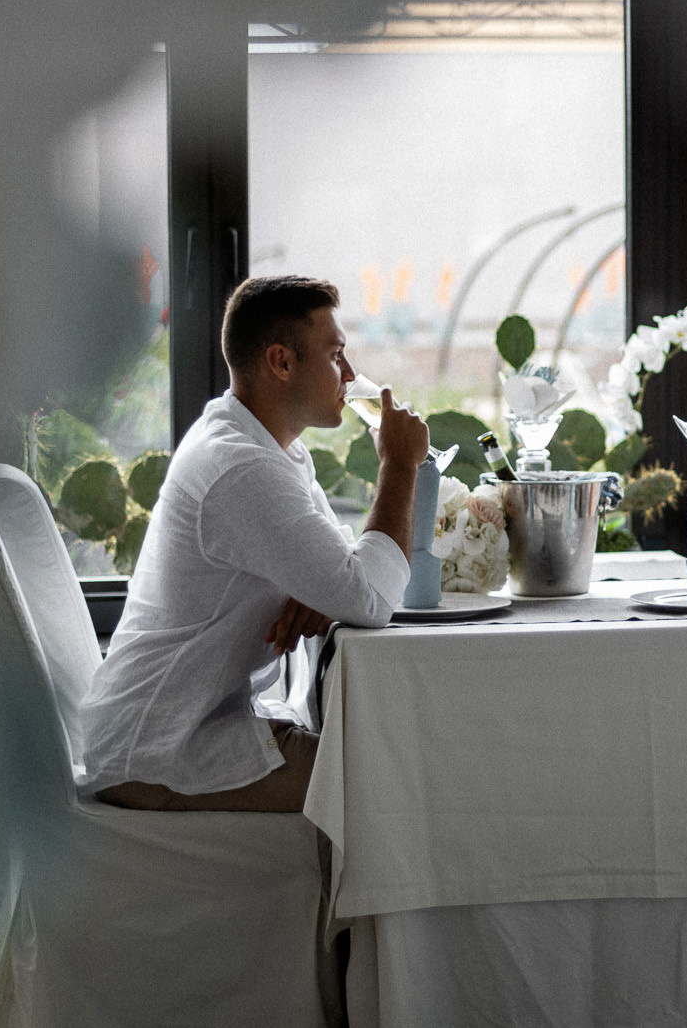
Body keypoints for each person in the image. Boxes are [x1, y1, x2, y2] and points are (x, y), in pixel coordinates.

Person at [79, 274, 429, 811]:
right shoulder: (240, 468)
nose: (352, 375)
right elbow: (372, 599)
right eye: (336, 355)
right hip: (153, 748)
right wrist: (400, 465)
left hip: (184, 723)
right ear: (281, 363)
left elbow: (346, 574)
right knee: (387, 779)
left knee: (389, 761)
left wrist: (325, 588)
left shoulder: (267, 448)